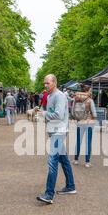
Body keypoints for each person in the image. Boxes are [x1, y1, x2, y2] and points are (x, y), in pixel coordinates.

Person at [37, 74, 76, 205]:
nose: (45, 85)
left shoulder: (59, 95)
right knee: (64, 160)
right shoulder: (50, 96)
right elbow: (52, 113)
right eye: (44, 83)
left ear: (54, 82)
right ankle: (71, 186)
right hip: (55, 131)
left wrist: (44, 114)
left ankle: (49, 194)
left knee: (52, 162)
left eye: (47, 83)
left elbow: (58, 115)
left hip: (59, 132)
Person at [72, 85, 97, 168]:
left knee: (78, 141)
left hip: (80, 122)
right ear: (87, 91)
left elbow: (72, 112)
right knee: (88, 142)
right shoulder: (90, 100)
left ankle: (76, 159)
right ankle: (87, 162)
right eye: (90, 90)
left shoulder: (75, 100)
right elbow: (95, 114)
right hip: (89, 122)